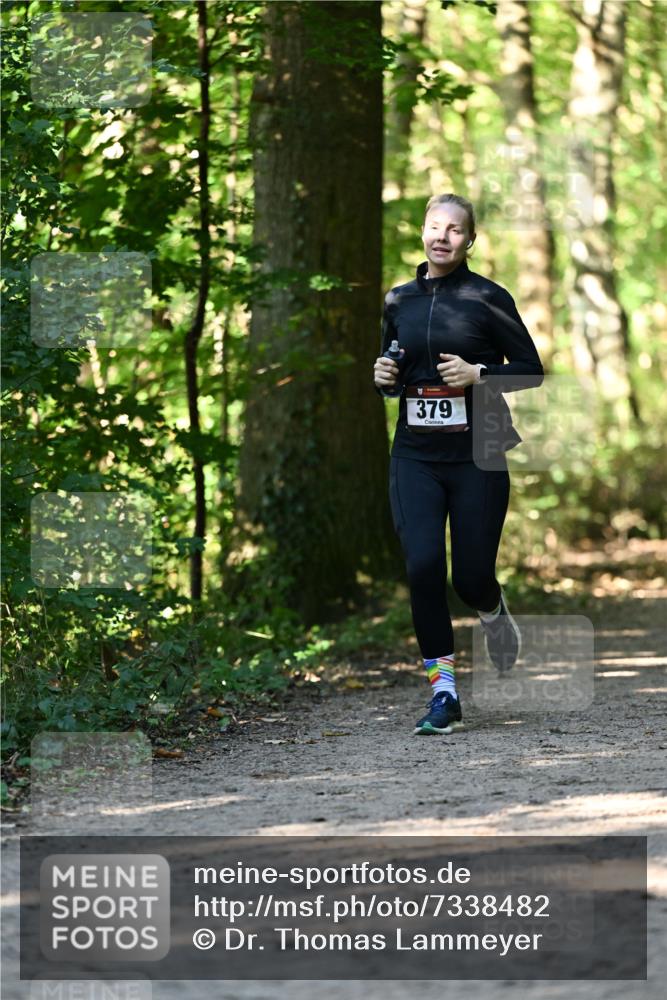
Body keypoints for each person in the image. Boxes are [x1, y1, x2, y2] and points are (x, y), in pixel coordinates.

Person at [374, 193, 544, 735]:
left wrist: (481, 374)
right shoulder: (398, 300)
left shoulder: (489, 298)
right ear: (421, 233)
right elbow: (392, 368)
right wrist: (382, 380)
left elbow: (531, 370)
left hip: (480, 453)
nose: (442, 237)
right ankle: (443, 693)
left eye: (454, 230)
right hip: (416, 456)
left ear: (470, 240)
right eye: (433, 227)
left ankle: (492, 612)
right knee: (423, 568)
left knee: (470, 577)